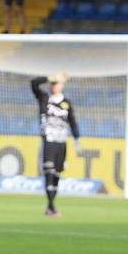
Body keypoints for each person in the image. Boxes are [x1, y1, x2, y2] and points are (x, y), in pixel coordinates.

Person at [30, 73, 80, 217]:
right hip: (49, 140)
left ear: (62, 85)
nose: (54, 85)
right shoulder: (44, 98)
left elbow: (72, 121)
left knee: (57, 174)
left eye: (57, 83)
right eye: (53, 83)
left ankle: (51, 205)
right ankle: (51, 207)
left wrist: (77, 138)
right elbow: (34, 83)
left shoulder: (67, 103)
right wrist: (49, 77)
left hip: (62, 142)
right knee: (49, 172)